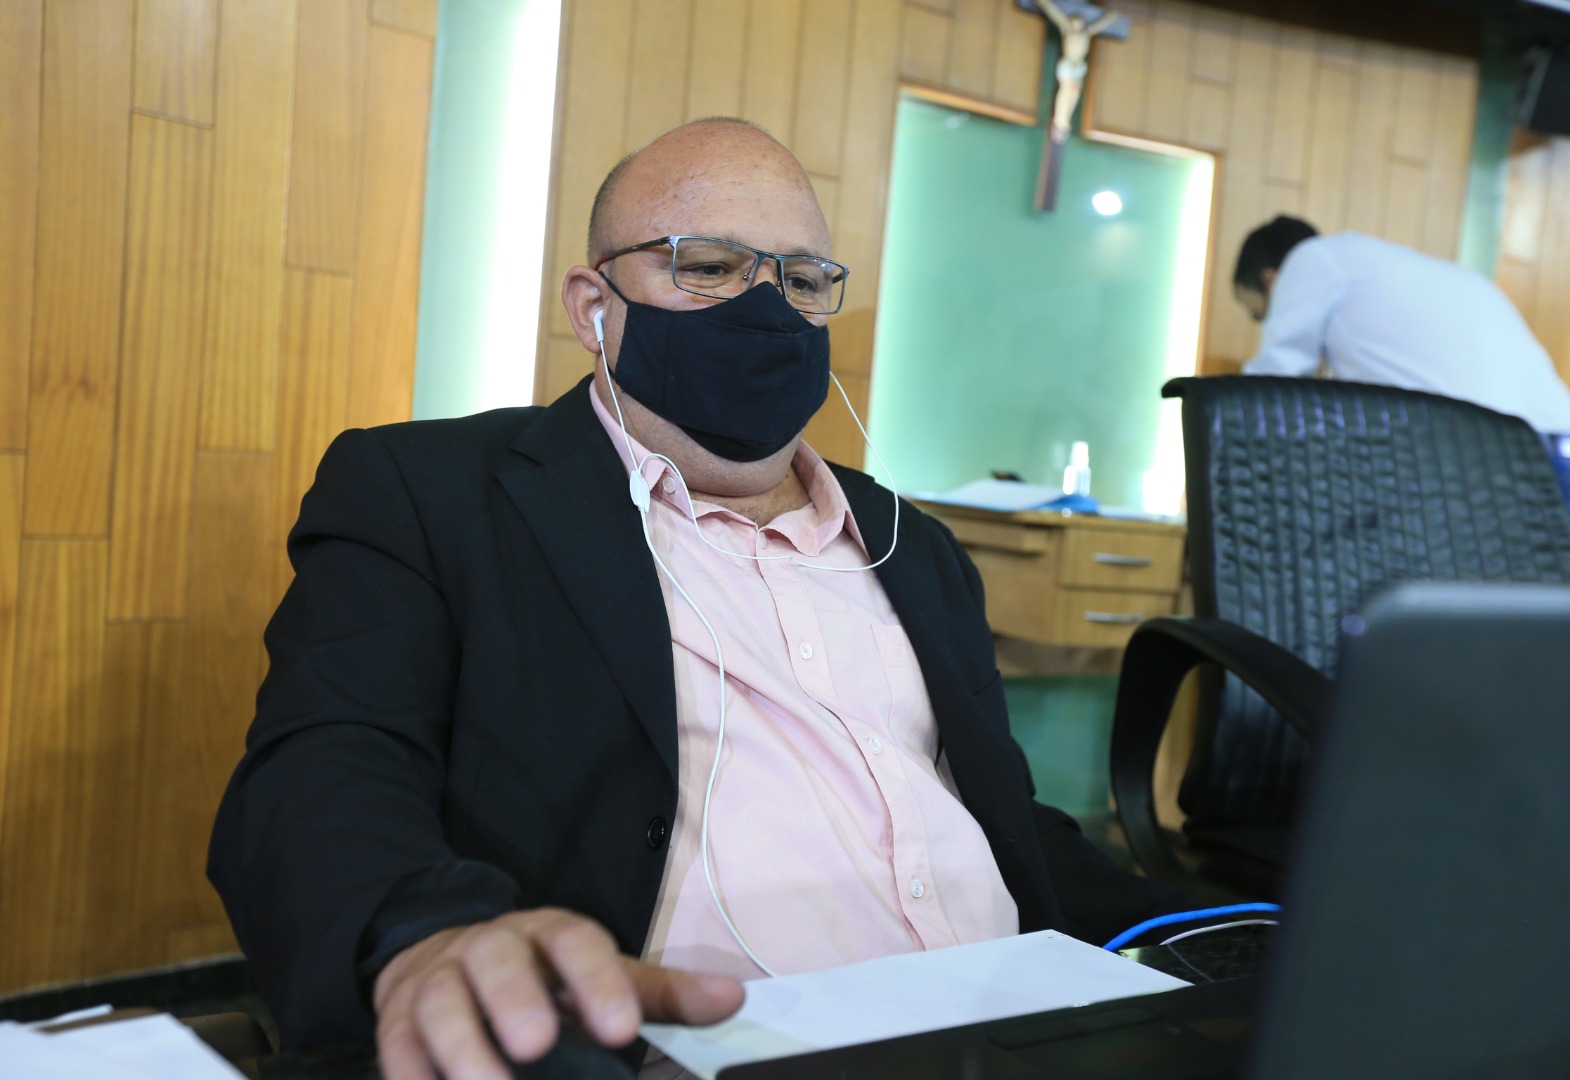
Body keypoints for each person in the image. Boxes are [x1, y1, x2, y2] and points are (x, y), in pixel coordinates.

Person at [208, 118, 1188, 1080]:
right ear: (593, 306)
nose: (766, 310)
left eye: (802, 282)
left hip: (1020, 1033)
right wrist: (419, 935)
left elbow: (994, 813)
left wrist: (1216, 929)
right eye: (709, 266)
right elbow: (325, 767)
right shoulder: (430, 496)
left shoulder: (913, 545)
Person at [1233, 215, 1570, 540]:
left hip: (1478, 458)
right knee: (1530, 592)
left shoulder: (1309, 259)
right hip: (1557, 452)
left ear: (1271, 279)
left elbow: (1269, 387)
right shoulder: (1408, 272)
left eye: (1259, 314)